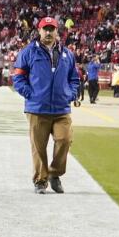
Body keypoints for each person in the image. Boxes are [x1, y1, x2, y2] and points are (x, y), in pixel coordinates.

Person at [11, 16, 81, 194]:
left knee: (65, 140)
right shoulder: (28, 52)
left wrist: (71, 94)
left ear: (57, 32)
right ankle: (40, 181)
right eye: (45, 29)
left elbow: (74, 78)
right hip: (37, 108)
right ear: (39, 31)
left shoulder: (67, 54)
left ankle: (54, 173)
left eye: (52, 29)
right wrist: (31, 94)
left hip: (61, 108)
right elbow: (18, 78)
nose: (48, 32)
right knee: (38, 147)